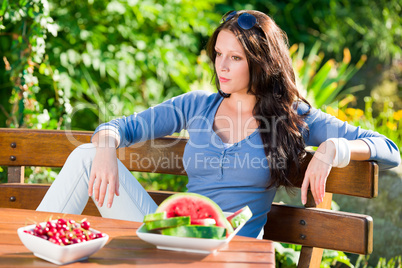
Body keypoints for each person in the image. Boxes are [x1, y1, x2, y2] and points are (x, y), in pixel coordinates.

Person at [37, 10, 400, 239]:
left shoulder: (294, 117)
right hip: (172, 236)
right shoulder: (196, 105)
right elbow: (122, 126)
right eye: (218, 55)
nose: (221, 67)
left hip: (232, 252)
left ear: (261, 63)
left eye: (235, 58)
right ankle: (30, 243)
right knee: (86, 154)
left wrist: (333, 149)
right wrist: (104, 146)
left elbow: (389, 149)